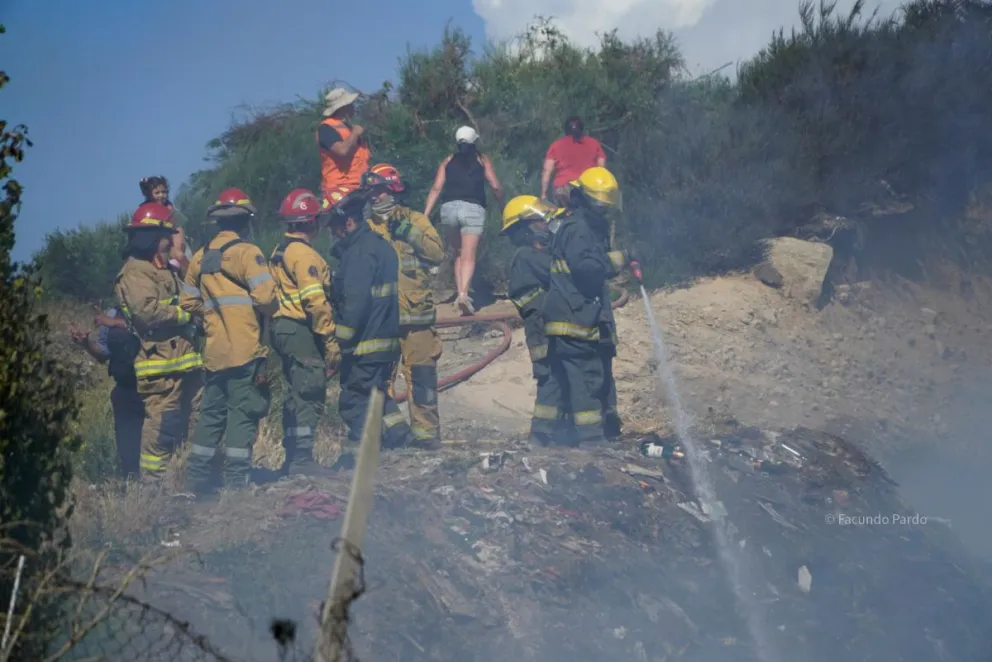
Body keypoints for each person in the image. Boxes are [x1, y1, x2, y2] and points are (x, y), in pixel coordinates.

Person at [180, 188, 278, 493]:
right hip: (245, 350)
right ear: (245, 221)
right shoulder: (248, 253)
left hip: (215, 352)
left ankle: (197, 479)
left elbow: (187, 302)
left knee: (211, 415)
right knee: (243, 412)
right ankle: (237, 480)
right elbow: (265, 297)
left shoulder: (199, 257)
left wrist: (212, 314)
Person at [542, 166, 640, 444]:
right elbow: (588, 268)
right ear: (585, 198)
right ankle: (591, 440)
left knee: (561, 380)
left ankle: (544, 437)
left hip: (572, 315)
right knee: (587, 377)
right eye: (600, 204)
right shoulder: (580, 229)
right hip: (574, 317)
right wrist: (622, 258)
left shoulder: (578, 225)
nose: (604, 210)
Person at [322, 185, 415, 452]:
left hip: (364, 345)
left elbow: (355, 305)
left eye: (335, 226)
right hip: (384, 344)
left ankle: (367, 455)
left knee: (354, 402)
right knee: (378, 396)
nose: (332, 232)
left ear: (348, 222)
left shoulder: (359, 253)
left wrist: (339, 343)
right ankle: (400, 438)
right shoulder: (379, 246)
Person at [115, 202, 203, 481]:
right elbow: (147, 311)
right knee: (163, 424)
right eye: (167, 236)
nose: (170, 242)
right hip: (158, 364)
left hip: (183, 361)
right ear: (153, 238)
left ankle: (187, 474)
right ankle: (153, 484)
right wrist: (183, 315)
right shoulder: (134, 272)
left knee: (194, 418)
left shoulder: (163, 269)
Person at [363, 163, 445, 448]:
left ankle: (426, 437)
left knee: (422, 377)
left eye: (379, 191)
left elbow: (437, 253)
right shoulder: (366, 229)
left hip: (416, 316)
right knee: (378, 381)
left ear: (393, 189)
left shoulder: (415, 220)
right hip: (380, 318)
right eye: (370, 193)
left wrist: (409, 232)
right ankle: (392, 437)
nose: (374, 198)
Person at [269, 188, 341, 476]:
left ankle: (292, 457)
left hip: (280, 328)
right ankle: (301, 459)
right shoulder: (304, 255)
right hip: (299, 329)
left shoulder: (280, 251)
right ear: (312, 222)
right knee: (309, 390)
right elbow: (315, 301)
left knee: (294, 392)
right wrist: (330, 339)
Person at [500, 195, 574, 446]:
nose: (547, 224)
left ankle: (557, 432)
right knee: (551, 376)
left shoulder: (537, 254)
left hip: (548, 325)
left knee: (561, 374)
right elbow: (561, 275)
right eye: (540, 221)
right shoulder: (526, 256)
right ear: (527, 228)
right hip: (541, 329)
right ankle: (541, 435)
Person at [423, 126, 505, 316]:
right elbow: (495, 185)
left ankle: (460, 293)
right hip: (472, 208)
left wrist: (425, 215)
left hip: (448, 209)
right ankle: (463, 295)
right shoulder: (482, 160)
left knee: (458, 252)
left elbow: (436, 188)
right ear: (474, 142)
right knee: (469, 254)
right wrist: (503, 206)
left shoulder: (448, 160)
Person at [69, 307, 143, 479]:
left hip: (153, 389)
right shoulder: (111, 314)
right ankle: (131, 482)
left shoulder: (151, 303)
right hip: (125, 388)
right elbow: (103, 353)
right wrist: (86, 343)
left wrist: (119, 324)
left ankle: (154, 483)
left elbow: (149, 331)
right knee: (126, 441)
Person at [316, 87, 370, 197]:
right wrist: (355, 134)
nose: (353, 107)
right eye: (351, 104)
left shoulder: (348, 128)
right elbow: (342, 151)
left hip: (359, 188)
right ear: (343, 108)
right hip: (339, 191)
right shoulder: (326, 128)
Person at [541, 116, 606, 206]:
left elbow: (547, 171)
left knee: (564, 213)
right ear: (582, 128)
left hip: (563, 189)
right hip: (589, 190)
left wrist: (543, 195)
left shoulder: (556, 146)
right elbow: (601, 169)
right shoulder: (594, 144)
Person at [140, 176, 191, 275]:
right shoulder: (145, 210)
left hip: (172, 239)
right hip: (155, 245)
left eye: (164, 192)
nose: (161, 195)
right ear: (149, 194)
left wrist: (176, 248)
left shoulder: (169, 209)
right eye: (157, 193)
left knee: (179, 255)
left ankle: (192, 277)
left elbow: (178, 229)